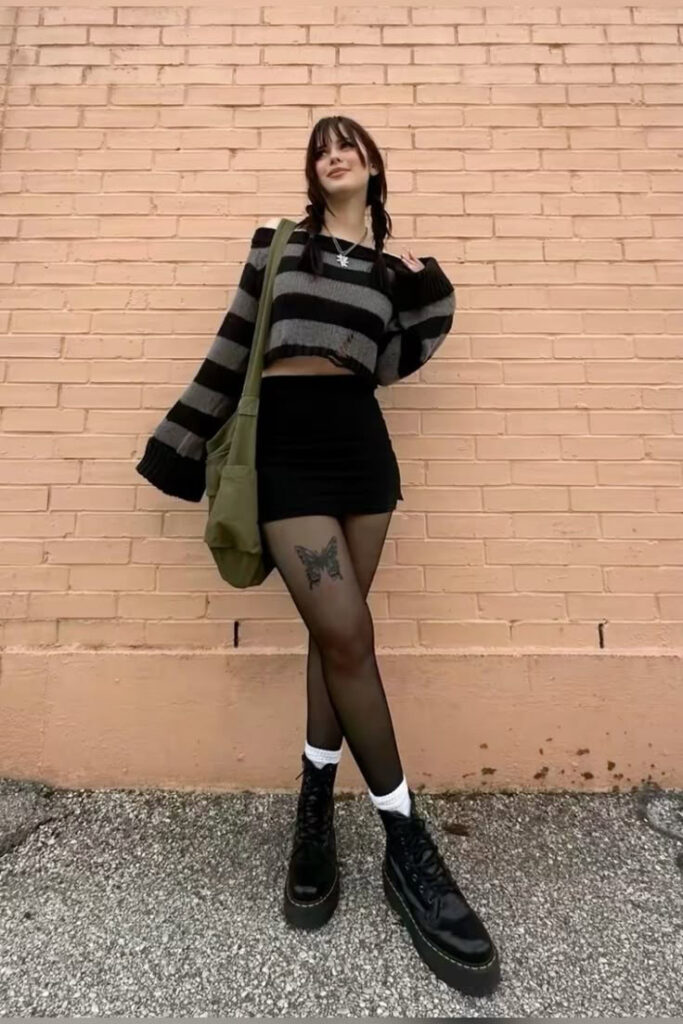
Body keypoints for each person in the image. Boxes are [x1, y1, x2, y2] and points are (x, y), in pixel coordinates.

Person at [135, 115, 500, 997]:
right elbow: (233, 347)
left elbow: (395, 356)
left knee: (336, 642)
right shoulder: (277, 245)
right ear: (314, 170)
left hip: (361, 450)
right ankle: (405, 840)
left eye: (349, 144)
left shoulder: (386, 271)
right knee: (346, 636)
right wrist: (180, 443)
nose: (333, 153)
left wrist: (428, 286)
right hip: (287, 450)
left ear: (372, 165)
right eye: (321, 147)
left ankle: (314, 811)